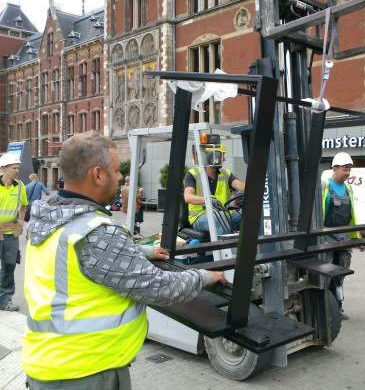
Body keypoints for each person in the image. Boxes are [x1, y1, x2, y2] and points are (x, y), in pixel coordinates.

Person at [22, 132, 226, 389]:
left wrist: (144, 253)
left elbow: (87, 258)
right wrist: (206, 276)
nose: (120, 177)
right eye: (116, 170)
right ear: (97, 174)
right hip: (85, 372)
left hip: (51, 365)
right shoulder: (95, 231)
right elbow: (160, 288)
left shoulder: (52, 218)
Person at [322, 152, 365, 320]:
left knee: (340, 275)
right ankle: (325, 308)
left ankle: (338, 308)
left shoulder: (348, 188)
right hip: (326, 237)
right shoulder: (325, 187)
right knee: (325, 274)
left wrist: (357, 238)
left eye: (349, 170)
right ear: (334, 169)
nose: (347, 173)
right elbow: (318, 215)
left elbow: (352, 216)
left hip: (343, 238)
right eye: (344, 169)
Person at [184, 146, 245, 236]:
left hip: (225, 214)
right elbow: (188, 197)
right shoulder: (193, 174)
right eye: (221, 156)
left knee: (251, 214)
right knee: (220, 217)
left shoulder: (226, 174)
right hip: (200, 217)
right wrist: (208, 200)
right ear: (210, 156)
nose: (224, 159)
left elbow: (241, 186)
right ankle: (224, 249)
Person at [0, 153, 27, 312]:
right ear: (3, 169)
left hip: (10, 232)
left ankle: (5, 300)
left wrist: (21, 220)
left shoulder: (20, 186)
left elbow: (24, 204)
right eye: (13, 168)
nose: (17, 171)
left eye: (18, 168)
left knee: (9, 266)